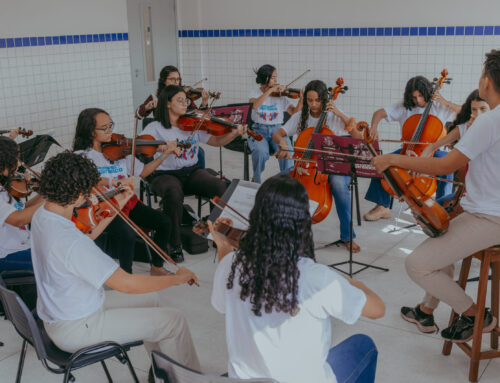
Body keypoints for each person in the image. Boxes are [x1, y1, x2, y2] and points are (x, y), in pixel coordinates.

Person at [371, 50, 500, 342]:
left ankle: (476, 315)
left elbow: (445, 165)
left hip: (489, 218)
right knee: (439, 243)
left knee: (416, 264)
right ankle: (425, 310)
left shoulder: (489, 121)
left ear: (488, 82)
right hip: (483, 211)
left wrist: (395, 161)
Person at [32, 151, 200, 372]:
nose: (92, 197)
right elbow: (126, 284)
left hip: (65, 314)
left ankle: (164, 373)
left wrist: (117, 206)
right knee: (174, 320)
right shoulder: (70, 242)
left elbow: (86, 236)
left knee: (152, 299)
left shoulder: (42, 216)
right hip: (78, 327)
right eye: (88, 193)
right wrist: (177, 279)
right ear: (77, 196)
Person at [209, 175, 385, 383]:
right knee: (364, 345)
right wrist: (352, 283)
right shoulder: (317, 279)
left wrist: (224, 248)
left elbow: (223, 304)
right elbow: (378, 309)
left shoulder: (231, 264)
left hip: (245, 379)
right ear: (302, 222)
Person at [143, 85, 246, 261]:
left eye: (186, 100)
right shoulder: (154, 128)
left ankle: (217, 235)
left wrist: (234, 133)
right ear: (167, 104)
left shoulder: (193, 123)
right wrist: (162, 147)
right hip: (163, 174)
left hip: (191, 171)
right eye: (180, 100)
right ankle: (174, 244)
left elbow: (215, 141)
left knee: (218, 185)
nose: (186, 104)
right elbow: (142, 149)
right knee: (173, 193)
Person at [73, 107, 181, 269]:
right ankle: (126, 275)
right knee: (127, 234)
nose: (110, 131)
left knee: (164, 222)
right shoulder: (82, 156)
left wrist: (164, 154)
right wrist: (115, 182)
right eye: (105, 128)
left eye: (111, 125)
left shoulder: (121, 150)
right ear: (91, 131)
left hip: (127, 201)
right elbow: (86, 180)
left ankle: (157, 267)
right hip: (103, 206)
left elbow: (143, 172)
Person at [273, 80, 363, 253]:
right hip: (307, 166)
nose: (313, 105)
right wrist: (283, 143)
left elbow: (358, 138)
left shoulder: (333, 116)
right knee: (277, 182)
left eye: (317, 100)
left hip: (334, 165)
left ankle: (348, 236)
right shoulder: (301, 117)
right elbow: (279, 133)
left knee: (338, 185)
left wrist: (338, 113)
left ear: (324, 99)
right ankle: (283, 230)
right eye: (309, 100)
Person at [363, 75, 460, 221]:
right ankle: (382, 207)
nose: (418, 101)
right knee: (382, 162)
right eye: (414, 97)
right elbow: (379, 113)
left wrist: (445, 102)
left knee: (447, 167)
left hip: (435, 151)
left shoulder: (439, 106)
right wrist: (374, 127)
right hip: (409, 150)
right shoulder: (405, 106)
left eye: (421, 96)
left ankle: (442, 208)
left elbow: (465, 112)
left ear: (427, 92)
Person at [420, 89, 490, 205]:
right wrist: (420, 164)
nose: (478, 114)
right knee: (431, 212)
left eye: (483, 109)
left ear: (491, 109)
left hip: (488, 192)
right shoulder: (463, 128)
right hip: (467, 191)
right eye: (474, 109)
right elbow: (431, 147)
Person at [136, 65, 207, 168]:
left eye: (178, 79)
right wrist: (147, 107)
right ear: (164, 80)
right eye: (172, 79)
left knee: (200, 152)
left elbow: (196, 115)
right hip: (164, 136)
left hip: (182, 134)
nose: (176, 82)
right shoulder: (155, 97)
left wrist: (204, 103)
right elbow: (138, 114)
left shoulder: (183, 96)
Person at [248, 64, 303, 183]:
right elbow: (255, 105)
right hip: (258, 130)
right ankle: (256, 179)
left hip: (277, 131)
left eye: (276, 77)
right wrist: (270, 91)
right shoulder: (255, 93)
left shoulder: (281, 96)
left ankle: (286, 181)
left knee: (288, 151)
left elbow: (294, 113)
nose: (276, 80)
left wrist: (301, 101)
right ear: (265, 78)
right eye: (273, 77)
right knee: (260, 152)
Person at [0, 136, 43, 273]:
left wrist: (47, 193)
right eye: (15, 159)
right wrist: (54, 198)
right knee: (54, 258)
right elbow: (18, 219)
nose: (19, 164)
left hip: (21, 245)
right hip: (6, 255)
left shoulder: (3, 186)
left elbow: (23, 209)